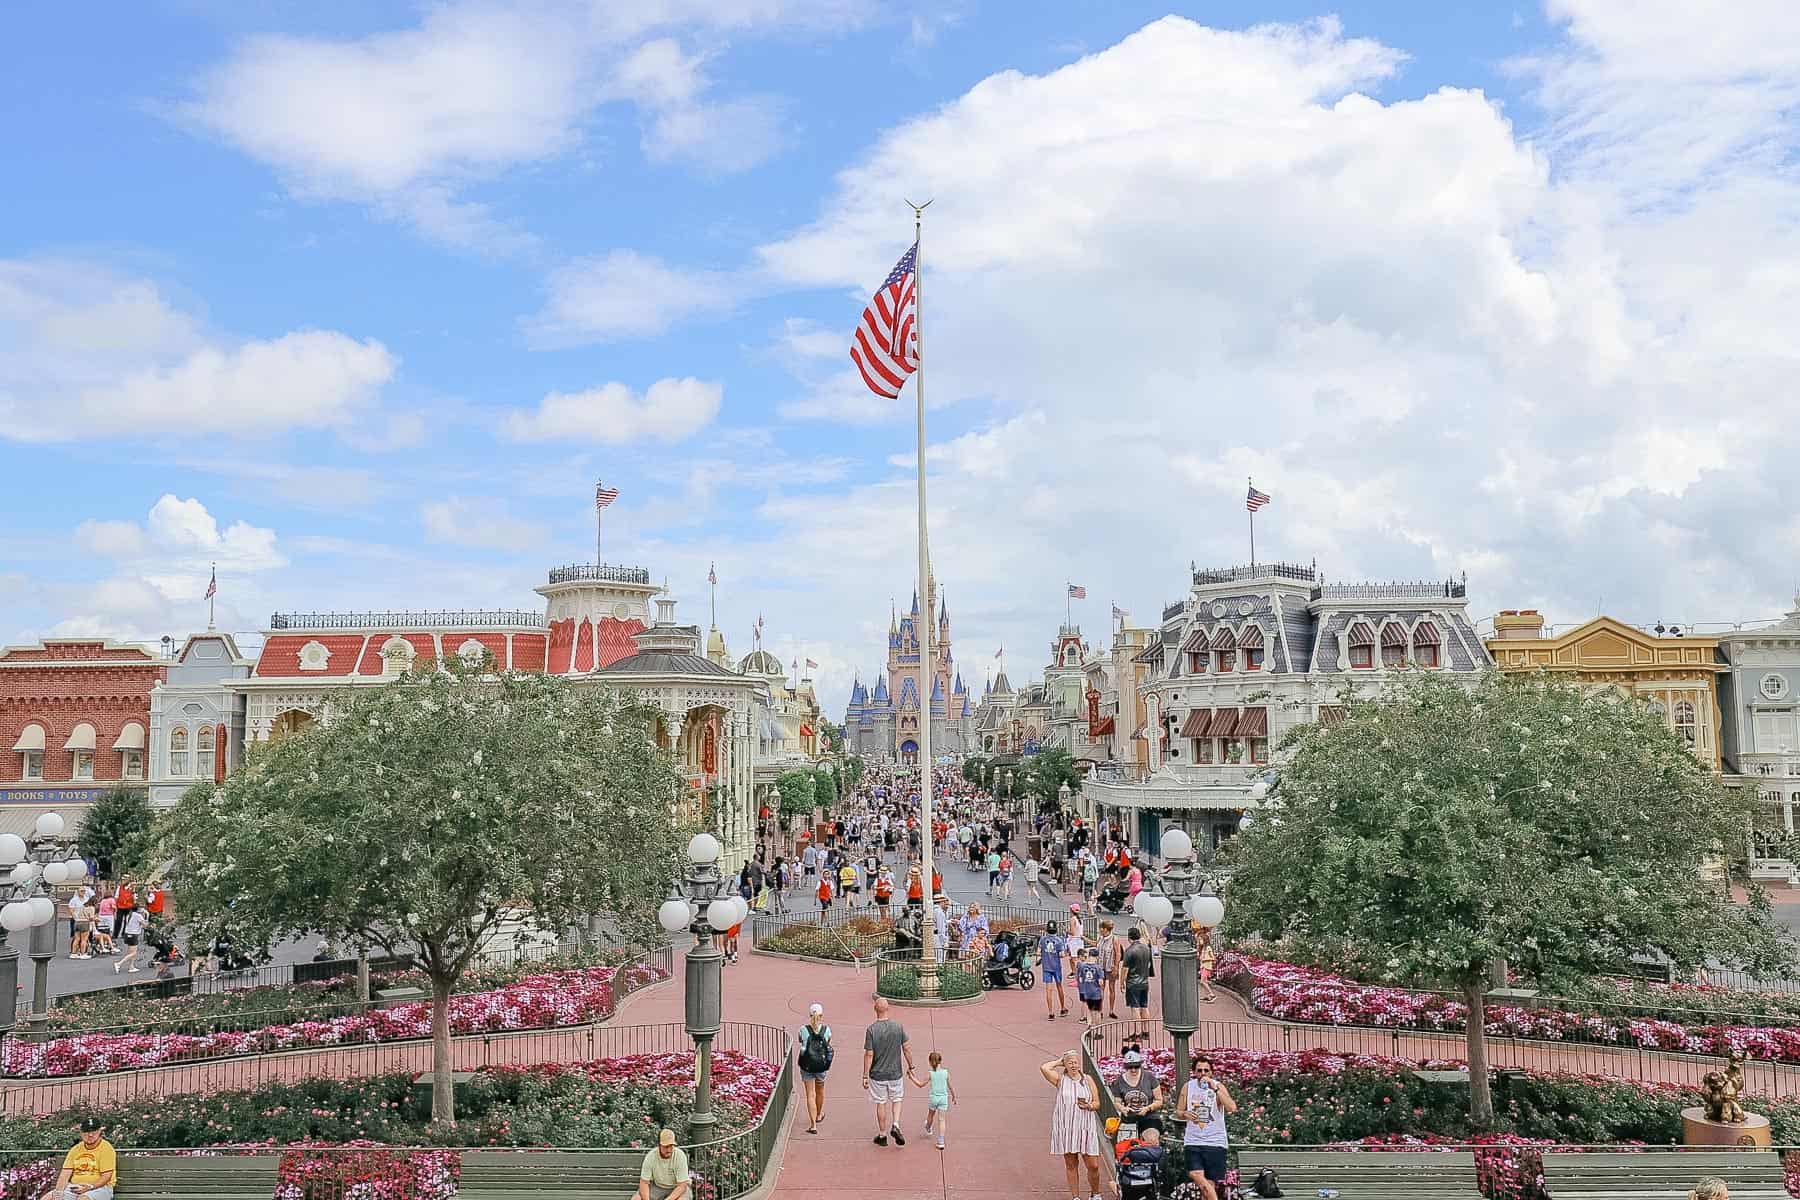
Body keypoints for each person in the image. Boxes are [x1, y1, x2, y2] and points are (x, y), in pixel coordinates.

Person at [1040, 1049, 1106, 1200]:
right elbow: (1044, 1068)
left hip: (1085, 1127)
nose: (1074, 1065)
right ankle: (1075, 1196)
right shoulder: (1060, 1080)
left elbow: (1097, 1103)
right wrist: (1059, 1061)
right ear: (1066, 1064)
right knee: (1071, 1164)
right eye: (1070, 1062)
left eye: (1076, 1062)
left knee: (1093, 1165)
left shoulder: (1087, 1079)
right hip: (1067, 1127)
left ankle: (1095, 1193)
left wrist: (1089, 1106)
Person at [1176, 1054, 1237, 1200]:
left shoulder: (1218, 1086)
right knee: (1195, 1174)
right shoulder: (1188, 1087)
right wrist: (1185, 1114)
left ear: (1211, 1072)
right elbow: (1178, 1111)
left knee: (1208, 1185)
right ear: (1194, 1072)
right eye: (1199, 1070)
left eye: (1206, 1070)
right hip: (1193, 1141)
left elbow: (1232, 1108)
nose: (1202, 1074)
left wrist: (1215, 1089)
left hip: (1215, 1141)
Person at [863, 997, 919, 1146]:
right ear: (888, 1008)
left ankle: (882, 1135)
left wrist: (864, 1075)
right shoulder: (898, 1027)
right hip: (895, 1072)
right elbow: (906, 1048)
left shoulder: (871, 1030)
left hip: (877, 1074)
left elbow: (869, 1054)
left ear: (875, 1010)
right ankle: (895, 1124)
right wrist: (911, 1066)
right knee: (897, 1099)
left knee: (880, 1102)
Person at [41, 1118, 115, 1200]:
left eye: (94, 1131)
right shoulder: (75, 1149)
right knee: (48, 1197)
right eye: (86, 1131)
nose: (90, 1135)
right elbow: (65, 1174)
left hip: (99, 1188)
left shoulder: (106, 1148)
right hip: (75, 1187)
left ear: (99, 1132)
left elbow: (106, 1176)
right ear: (81, 1133)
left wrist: (90, 1187)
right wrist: (58, 1194)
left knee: (83, 1198)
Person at [1108, 1047, 1164, 1135]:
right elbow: (1117, 1102)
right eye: (1130, 1067)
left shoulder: (1149, 1077)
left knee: (1151, 1137)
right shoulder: (1119, 1081)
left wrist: (1148, 1108)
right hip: (1129, 1117)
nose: (1133, 1070)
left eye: (1136, 1066)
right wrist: (1123, 1109)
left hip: (1149, 1117)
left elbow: (1159, 1100)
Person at [798, 1003, 833, 1135]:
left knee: (810, 1095)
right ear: (821, 1016)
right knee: (820, 1090)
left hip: (807, 1064)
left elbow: (801, 1041)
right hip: (821, 1065)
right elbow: (828, 1043)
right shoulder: (826, 1030)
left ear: (809, 1015)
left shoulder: (803, 1029)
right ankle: (819, 1115)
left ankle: (813, 1125)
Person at [1115, 1123, 1167, 1200]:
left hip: (1131, 1188)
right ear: (1157, 1141)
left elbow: (1121, 1162)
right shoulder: (1161, 1153)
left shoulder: (1133, 1152)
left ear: (1142, 1140)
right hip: (1152, 1188)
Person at [635, 1128, 689, 1200]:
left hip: (676, 1188)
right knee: (636, 1198)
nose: (669, 1150)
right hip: (657, 1187)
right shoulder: (651, 1156)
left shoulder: (680, 1156)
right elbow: (644, 1183)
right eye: (666, 1146)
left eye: (671, 1146)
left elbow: (682, 1186)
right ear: (659, 1145)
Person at [921, 1049, 956, 1150]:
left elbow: (920, 1084)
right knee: (942, 1120)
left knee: (930, 1115)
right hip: (943, 1099)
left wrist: (911, 1077)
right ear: (941, 1061)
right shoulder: (946, 1073)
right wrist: (953, 1096)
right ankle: (941, 1141)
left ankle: (928, 1127)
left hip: (933, 1099)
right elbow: (950, 1086)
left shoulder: (930, 1074)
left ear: (930, 1062)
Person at [1122, 927, 1154, 1022]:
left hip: (1133, 982)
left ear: (1129, 938)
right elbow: (1149, 965)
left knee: (1134, 1007)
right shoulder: (1147, 948)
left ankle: (1137, 1033)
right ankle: (1145, 1031)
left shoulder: (1129, 950)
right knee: (1144, 1006)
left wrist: (1121, 982)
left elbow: (1124, 969)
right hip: (1144, 981)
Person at [1039, 921, 1069, 1020]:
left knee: (1048, 989)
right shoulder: (1059, 940)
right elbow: (1062, 955)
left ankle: (1051, 1013)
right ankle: (1062, 1008)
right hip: (1056, 967)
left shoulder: (1043, 939)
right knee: (1059, 986)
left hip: (1046, 966)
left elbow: (1038, 952)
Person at [1097, 919, 1123, 1020]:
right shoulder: (1100, 938)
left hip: (1110, 966)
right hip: (1101, 966)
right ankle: (1100, 1009)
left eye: (1101, 929)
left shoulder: (1114, 939)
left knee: (1111, 988)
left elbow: (1118, 953)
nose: (1100, 930)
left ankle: (1111, 1010)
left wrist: (1116, 967)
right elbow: (1096, 945)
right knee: (1101, 988)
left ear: (1105, 929)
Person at [1075, 946, 1105, 1025]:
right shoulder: (1098, 968)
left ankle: (1089, 1026)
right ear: (1096, 957)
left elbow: (1080, 978)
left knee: (1089, 1010)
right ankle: (1097, 1029)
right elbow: (1101, 982)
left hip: (1087, 991)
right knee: (1097, 1011)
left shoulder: (1082, 966)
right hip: (1095, 992)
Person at [113, 908, 147, 974]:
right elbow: (145, 925)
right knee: (133, 953)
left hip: (127, 933)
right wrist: (144, 916)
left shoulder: (129, 914)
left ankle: (131, 966)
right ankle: (119, 964)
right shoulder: (138, 916)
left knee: (130, 952)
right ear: (138, 909)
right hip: (133, 935)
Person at [1198, 933, 1216, 1003]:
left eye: (1201, 940)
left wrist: (1204, 959)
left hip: (1207, 966)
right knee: (1204, 981)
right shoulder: (1203, 948)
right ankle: (1208, 995)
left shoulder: (1208, 948)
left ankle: (1212, 994)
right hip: (1203, 966)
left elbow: (1213, 957)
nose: (1200, 941)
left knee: (1203, 981)